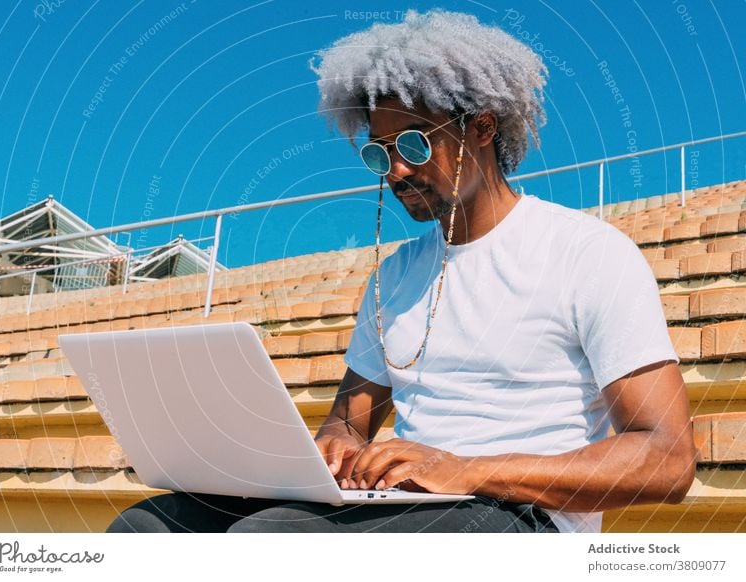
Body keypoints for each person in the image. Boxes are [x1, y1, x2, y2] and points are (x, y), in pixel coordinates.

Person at [107, 8, 695, 534]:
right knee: (151, 527)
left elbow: (667, 460)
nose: (394, 171)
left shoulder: (588, 253)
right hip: (402, 501)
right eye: (378, 152)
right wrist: (334, 450)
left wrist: (464, 468)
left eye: (412, 145)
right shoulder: (393, 278)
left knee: (274, 541)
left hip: (521, 516)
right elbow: (348, 423)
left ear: (483, 127)